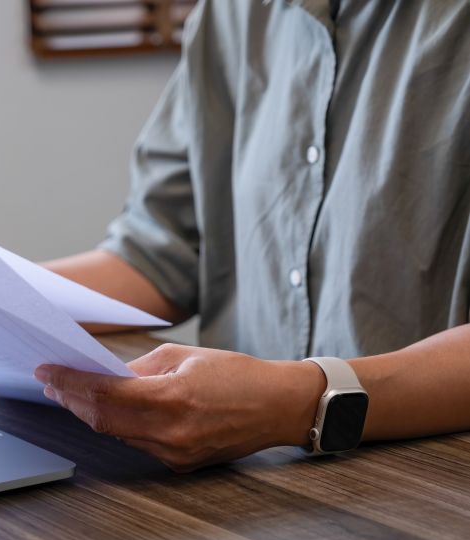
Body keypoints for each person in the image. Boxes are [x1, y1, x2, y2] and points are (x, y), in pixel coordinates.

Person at [34, 0, 470, 472]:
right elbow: (161, 256)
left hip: (427, 489)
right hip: (247, 486)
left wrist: (298, 403)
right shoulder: (231, 13)